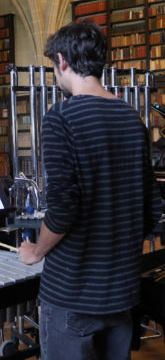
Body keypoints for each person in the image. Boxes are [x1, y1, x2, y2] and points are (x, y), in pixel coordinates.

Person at [18, 20, 162, 360]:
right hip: (122, 294)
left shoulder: (60, 118)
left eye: (54, 65)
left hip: (74, 295)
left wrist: (36, 251)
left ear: (63, 60)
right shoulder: (133, 120)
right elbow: (152, 209)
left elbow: (64, 208)